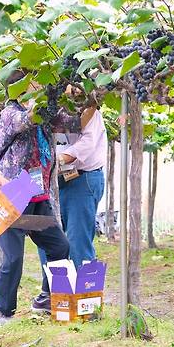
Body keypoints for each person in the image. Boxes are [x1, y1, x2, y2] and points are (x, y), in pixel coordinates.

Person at [0, 70, 97, 325]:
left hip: (37, 197)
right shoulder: (11, 113)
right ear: (22, 86)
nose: (39, 83)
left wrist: (93, 99)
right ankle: (2, 313)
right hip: (13, 195)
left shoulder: (45, 113)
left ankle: (51, 299)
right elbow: (28, 120)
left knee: (59, 246)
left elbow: (76, 124)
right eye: (34, 80)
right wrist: (52, 94)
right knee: (13, 258)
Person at [45, 87, 107, 269]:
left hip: (82, 179)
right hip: (56, 180)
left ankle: (86, 295)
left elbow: (87, 144)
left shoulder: (90, 111)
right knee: (51, 241)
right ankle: (56, 294)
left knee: (78, 243)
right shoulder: (51, 108)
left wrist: (60, 159)